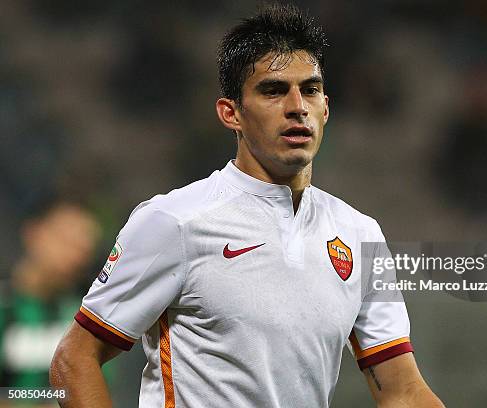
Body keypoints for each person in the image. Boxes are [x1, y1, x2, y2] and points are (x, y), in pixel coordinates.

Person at [50, 4, 444, 407]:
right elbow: (75, 358)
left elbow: (403, 391)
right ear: (231, 113)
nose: (297, 106)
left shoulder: (360, 234)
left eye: (309, 89)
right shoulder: (173, 222)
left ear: (325, 107)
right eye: (273, 90)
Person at [0, 199, 101, 408]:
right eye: (66, 241)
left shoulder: (89, 315)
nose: (75, 256)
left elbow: (95, 390)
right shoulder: (5, 305)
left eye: (83, 249)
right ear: (34, 233)